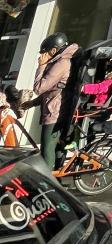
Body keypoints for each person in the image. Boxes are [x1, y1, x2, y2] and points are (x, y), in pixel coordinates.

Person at [23, 33, 80, 167]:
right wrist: (33, 103)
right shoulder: (62, 61)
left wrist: (41, 66)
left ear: (53, 50)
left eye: (45, 53)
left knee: (47, 152)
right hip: (57, 110)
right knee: (56, 149)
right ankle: (55, 177)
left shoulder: (61, 63)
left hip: (54, 114)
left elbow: (39, 88)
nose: (42, 56)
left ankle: (47, 179)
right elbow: (53, 90)